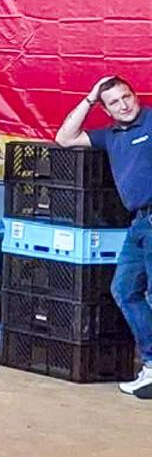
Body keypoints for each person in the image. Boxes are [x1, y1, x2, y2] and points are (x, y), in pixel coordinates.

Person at [56, 75, 152, 395]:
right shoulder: (109, 135)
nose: (123, 105)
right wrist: (89, 98)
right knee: (124, 289)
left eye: (126, 97)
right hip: (139, 223)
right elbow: (65, 138)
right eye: (113, 102)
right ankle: (151, 364)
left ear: (134, 95)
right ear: (106, 109)